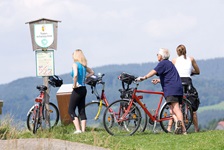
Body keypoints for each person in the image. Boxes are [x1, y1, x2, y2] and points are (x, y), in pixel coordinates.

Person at [137, 48, 187, 134]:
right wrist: (159, 80)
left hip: (171, 88)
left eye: (158, 54)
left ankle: (184, 130)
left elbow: (154, 71)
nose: (157, 55)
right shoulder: (169, 63)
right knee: (172, 109)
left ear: (161, 56)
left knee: (176, 108)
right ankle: (177, 124)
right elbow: (170, 76)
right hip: (176, 87)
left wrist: (144, 77)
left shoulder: (163, 63)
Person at [172, 44, 200, 132]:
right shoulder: (191, 59)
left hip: (178, 82)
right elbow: (198, 71)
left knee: (176, 105)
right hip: (188, 83)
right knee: (193, 107)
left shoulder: (174, 60)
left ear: (177, 52)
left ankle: (177, 126)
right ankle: (196, 129)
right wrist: (191, 72)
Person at [68, 49, 94, 134]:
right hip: (84, 89)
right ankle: (83, 130)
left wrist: (74, 84)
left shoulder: (75, 64)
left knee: (71, 110)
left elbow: (75, 75)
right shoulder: (84, 66)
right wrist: (85, 77)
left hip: (77, 89)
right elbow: (92, 72)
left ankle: (78, 130)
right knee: (81, 110)